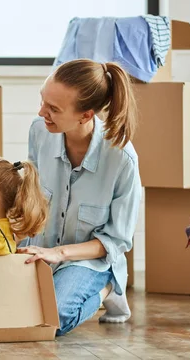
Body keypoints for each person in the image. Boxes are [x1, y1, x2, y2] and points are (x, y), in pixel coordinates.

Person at [17, 59, 141, 335]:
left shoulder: (122, 161)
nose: (41, 112)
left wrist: (59, 253)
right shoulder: (40, 131)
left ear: (86, 115)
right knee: (1, 308)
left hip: (88, 261)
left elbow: (117, 240)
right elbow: (31, 195)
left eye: (53, 109)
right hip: (39, 250)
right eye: (43, 101)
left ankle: (107, 287)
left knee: (54, 317)